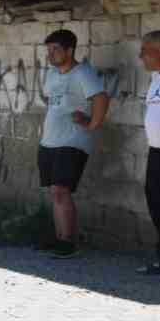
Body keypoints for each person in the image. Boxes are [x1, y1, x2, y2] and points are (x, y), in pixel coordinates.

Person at [38, 28, 109, 259]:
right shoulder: (51, 74)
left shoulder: (83, 73)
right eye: (49, 50)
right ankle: (60, 238)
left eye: (56, 49)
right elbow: (48, 98)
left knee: (61, 190)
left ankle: (69, 242)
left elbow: (100, 98)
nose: (51, 54)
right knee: (55, 192)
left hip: (72, 141)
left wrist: (91, 124)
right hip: (49, 140)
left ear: (70, 50)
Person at [140, 30, 160, 276]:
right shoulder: (157, 79)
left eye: (145, 51)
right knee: (157, 204)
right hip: (157, 153)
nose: (140, 56)